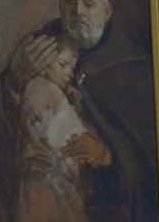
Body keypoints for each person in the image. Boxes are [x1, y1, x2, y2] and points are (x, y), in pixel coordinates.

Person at [0, 0, 159, 221]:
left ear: (106, 12)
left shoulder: (130, 67)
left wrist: (105, 156)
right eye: (70, 0)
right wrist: (14, 82)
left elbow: (143, 164)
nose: (78, 11)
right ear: (60, 2)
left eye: (89, 3)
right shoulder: (37, 47)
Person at [17, 37, 108, 222]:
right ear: (43, 66)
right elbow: (63, 134)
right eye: (62, 64)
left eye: (72, 68)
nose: (69, 73)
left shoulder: (50, 90)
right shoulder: (44, 89)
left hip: (54, 178)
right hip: (48, 179)